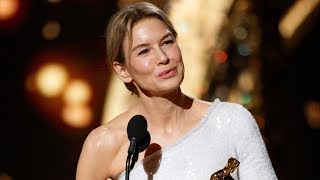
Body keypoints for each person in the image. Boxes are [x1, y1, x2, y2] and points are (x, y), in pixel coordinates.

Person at [76, 2, 278, 180]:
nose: (163, 57)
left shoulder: (232, 121)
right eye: (144, 51)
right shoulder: (103, 144)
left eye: (167, 42)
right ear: (123, 70)